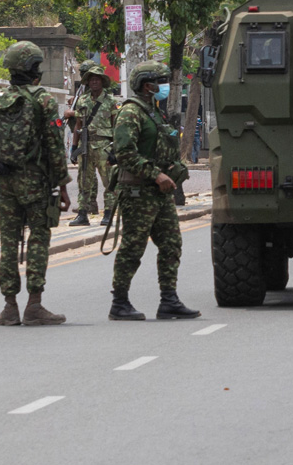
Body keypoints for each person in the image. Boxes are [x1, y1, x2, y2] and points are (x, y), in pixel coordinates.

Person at [0, 40, 70, 327]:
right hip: (37, 183)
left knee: (8, 243)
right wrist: (63, 185)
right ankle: (34, 304)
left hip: (6, 185)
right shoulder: (43, 101)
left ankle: (9, 307)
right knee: (38, 240)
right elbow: (55, 146)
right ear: (33, 69)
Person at [107, 60, 199, 321]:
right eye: (161, 82)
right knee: (133, 247)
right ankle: (120, 302)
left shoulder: (154, 111)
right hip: (138, 191)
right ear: (148, 86)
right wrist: (155, 174)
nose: (165, 87)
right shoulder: (131, 113)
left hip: (161, 192)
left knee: (171, 244)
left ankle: (169, 300)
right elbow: (124, 154)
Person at [66, 69, 114, 226]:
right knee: (83, 182)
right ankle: (82, 214)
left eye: (97, 80)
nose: (94, 82)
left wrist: (115, 149)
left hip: (104, 146)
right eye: (91, 80)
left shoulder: (110, 101)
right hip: (86, 145)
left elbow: (116, 125)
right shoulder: (83, 100)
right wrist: (74, 148)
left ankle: (108, 213)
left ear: (102, 82)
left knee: (109, 182)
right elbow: (78, 126)